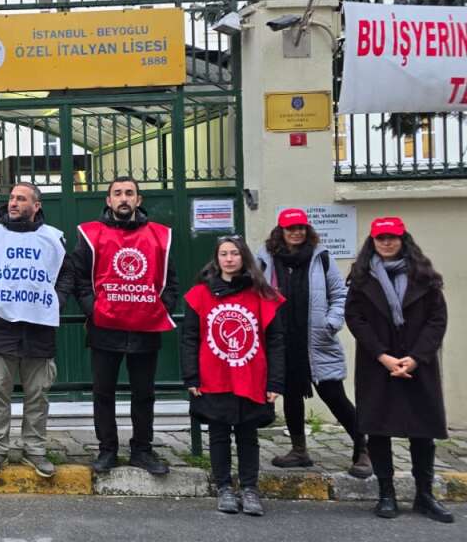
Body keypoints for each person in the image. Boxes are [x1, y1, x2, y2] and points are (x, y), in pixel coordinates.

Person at [63, 176, 177, 475]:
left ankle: (142, 449)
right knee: (104, 393)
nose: (123, 198)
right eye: (117, 193)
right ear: (108, 200)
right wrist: (94, 310)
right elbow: (79, 278)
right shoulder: (90, 234)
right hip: (105, 329)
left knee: (144, 394)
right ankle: (107, 450)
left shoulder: (159, 236)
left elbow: (170, 280)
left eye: (129, 193)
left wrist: (162, 308)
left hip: (145, 329)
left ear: (138, 200)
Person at [345, 217, 453, 523]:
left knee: (422, 432)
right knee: (379, 430)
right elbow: (355, 319)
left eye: (393, 237)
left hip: (418, 364)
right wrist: (384, 356)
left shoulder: (425, 276)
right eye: (381, 238)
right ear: (373, 242)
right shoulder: (362, 278)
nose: (387, 243)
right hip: (378, 365)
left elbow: (437, 319)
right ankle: (386, 494)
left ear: (403, 239)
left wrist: (416, 357)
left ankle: (425, 495)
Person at [255, 208, 369, 478]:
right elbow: (256, 293)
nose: (296, 232)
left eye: (301, 228)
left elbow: (340, 295)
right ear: (280, 231)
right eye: (290, 228)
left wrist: (332, 322)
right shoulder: (266, 259)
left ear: (307, 230)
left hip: (317, 339)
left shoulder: (321, 258)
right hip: (283, 338)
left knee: (333, 395)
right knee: (292, 395)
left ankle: (364, 447)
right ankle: (299, 450)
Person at [180, 236, 285, 517]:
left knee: (247, 435)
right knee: (218, 435)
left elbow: (275, 341)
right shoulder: (200, 294)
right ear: (217, 259)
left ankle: (249, 488)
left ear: (244, 258)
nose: (229, 259)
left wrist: (275, 381)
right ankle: (224, 486)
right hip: (214, 376)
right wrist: (191, 377)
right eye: (224, 254)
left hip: (251, 376)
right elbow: (189, 338)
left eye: (234, 253)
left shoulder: (262, 294)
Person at [0, 184, 66, 478]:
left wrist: (56, 300)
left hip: (39, 331)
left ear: (36, 206)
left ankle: (34, 450)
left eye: (21, 199)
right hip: (0, 330)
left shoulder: (53, 238)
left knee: (38, 395)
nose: (13, 202)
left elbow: (67, 273)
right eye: (11, 198)